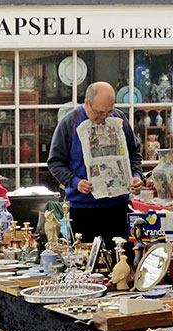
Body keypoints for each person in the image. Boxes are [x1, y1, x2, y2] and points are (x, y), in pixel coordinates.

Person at [47, 82, 144, 257]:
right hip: (83, 208)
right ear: (87, 103)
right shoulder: (69, 122)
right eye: (99, 113)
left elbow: (134, 152)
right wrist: (75, 182)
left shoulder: (118, 118)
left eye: (109, 112)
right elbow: (54, 162)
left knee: (123, 262)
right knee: (88, 266)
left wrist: (136, 175)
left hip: (119, 206)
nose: (104, 118)